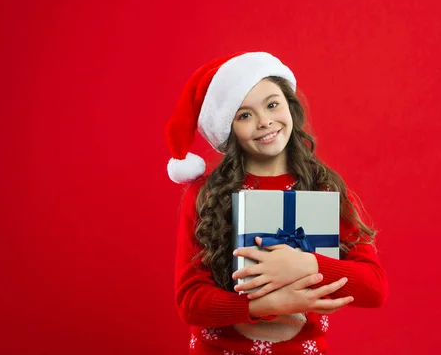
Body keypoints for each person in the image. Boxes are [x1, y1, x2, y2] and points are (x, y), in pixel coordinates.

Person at [166, 52, 388, 354]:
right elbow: (191, 302)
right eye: (245, 115)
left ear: (289, 106)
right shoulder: (205, 194)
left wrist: (304, 265)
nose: (265, 121)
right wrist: (266, 304)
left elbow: (374, 288)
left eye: (272, 104)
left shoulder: (322, 188)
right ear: (228, 130)